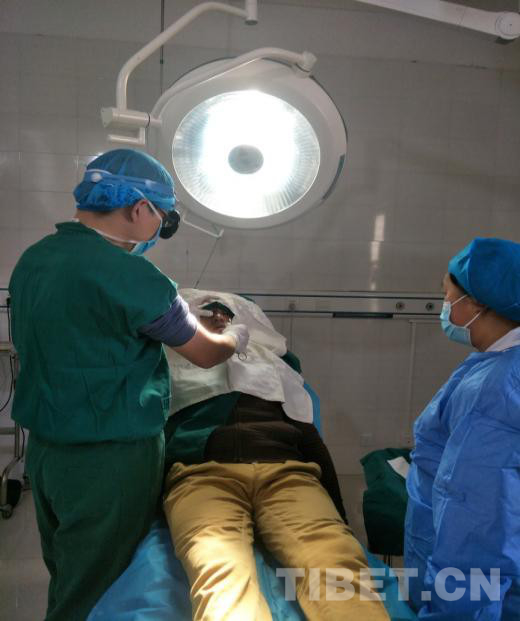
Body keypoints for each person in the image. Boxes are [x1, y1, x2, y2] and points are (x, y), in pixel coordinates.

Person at [8, 149, 249, 621]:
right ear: (141, 209)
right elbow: (204, 353)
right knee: (100, 591)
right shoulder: (134, 276)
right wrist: (234, 337)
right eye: (164, 219)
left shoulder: (35, 259)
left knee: (69, 569)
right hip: (109, 460)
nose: (160, 230)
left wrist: (182, 320)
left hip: (48, 453)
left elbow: (89, 323)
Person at [163, 290, 390, 621]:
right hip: (201, 477)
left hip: (288, 474)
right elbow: (150, 440)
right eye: (209, 313)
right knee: (222, 574)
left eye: (226, 313)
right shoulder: (169, 364)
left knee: (335, 562)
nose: (219, 318)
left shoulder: (272, 364)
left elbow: (309, 435)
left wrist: (340, 519)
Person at [404, 237, 520, 620]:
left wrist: (452, 611)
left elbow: (476, 525)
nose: (444, 306)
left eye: (447, 296)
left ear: (476, 304)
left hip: (469, 596)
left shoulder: (495, 390)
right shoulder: (496, 364)